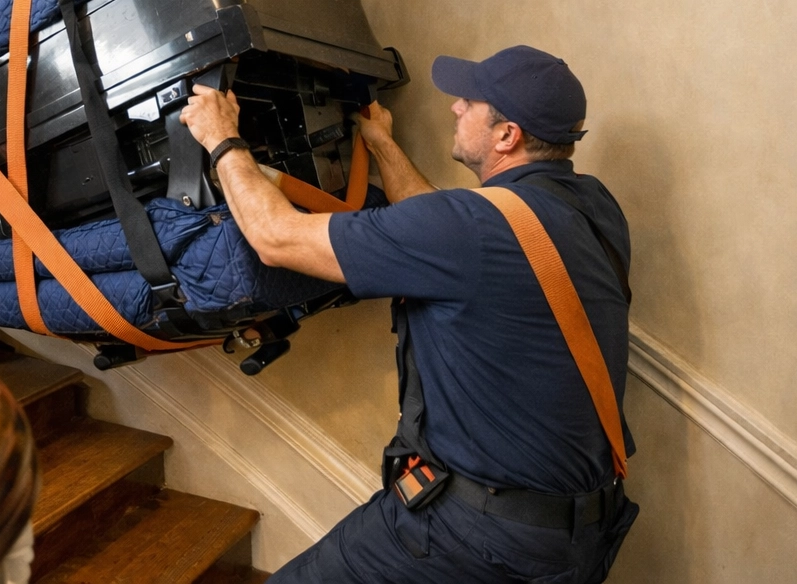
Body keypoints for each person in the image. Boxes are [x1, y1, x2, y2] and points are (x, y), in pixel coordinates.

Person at [180, 45, 639, 583]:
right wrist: (380, 144)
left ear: (506, 135)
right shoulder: (595, 208)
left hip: (476, 539)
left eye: (468, 102)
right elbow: (440, 225)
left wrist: (220, 138)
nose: (454, 109)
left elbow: (275, 238)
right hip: (579, 537)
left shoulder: (466, 229)